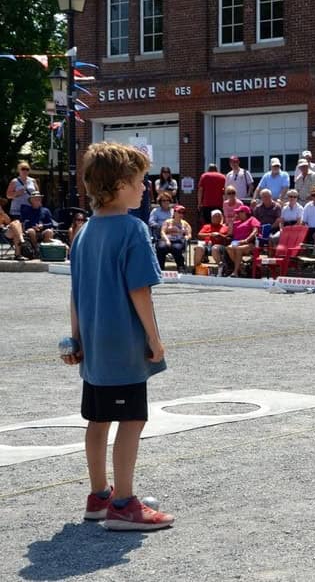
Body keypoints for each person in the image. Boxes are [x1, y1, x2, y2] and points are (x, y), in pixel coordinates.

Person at [66, 141, 174, 531]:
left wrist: (75, 339)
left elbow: (75, 294)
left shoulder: (83, 233)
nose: (145, 188)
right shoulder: (133, 229)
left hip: (93, 344)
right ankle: (125, 504)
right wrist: (155, 339)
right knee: (131, 419)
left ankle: (99, 496)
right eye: (140, 180)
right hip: (123, 345)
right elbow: (139, 291)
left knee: (97, 420)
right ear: (119, 185)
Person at [192, 210, 230, 274]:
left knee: (214, 248)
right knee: (199, 248)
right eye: (214, 216)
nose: (216, 218)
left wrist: (220, 235)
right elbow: (199, 235)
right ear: (211, 218)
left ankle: (222, 268)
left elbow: (228, 238)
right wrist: (210, 234)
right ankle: (196, 268)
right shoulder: (207, 226)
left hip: (219, 246)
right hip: (207, 245)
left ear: (221, 218)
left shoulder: (225, 227)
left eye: (218, 216)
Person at [19, 191, 57, 256]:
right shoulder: (27, 210)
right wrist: (33, 226)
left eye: (39, 199)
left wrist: (43, 226)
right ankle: (36, 249)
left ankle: (45, 250)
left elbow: (51, 223)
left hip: (43, 231)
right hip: (31, 231)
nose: (38, 200)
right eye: (36, 199)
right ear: (31, 201)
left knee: (49, 231)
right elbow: (24, 222)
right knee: (31, 231)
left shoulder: (45, 210)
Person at [226, 205, 259, 277]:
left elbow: (255, 231)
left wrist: (247, 240)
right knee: (229, 248)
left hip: (249, 243)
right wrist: (231, 222)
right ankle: (241, 267)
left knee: (238, 249)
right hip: (237, 242)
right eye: (237, 212)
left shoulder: (252, 219)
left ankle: (235, 272)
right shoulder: (236, 222)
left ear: (245, 213)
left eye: (239, 212)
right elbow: (229, 233)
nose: (237, 214)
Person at [156, 205, 191, 271]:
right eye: (179, 212)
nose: (181, 214)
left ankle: (180, 266)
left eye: (183, 213)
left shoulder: (185, 224)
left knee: (177, 248)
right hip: (166, 239)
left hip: (178, 240)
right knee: (161, 247)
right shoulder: (167, 222)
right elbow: (162, 232)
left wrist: (187, 237)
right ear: (174, 212)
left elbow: (189, 234)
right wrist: (167, 240)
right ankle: (160, 267)